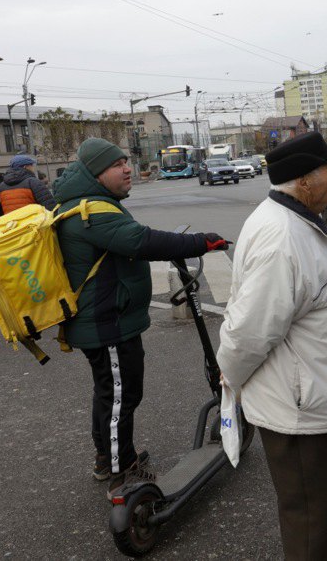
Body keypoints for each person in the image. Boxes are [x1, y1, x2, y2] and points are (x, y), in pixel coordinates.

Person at [216, 132, 327, 561]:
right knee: (308, 505)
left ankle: (321, 552)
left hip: (312, 392)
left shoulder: (299, 220)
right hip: (298, 403)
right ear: (303, 181)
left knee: (322, 497)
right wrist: (230, 378)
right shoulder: (282, 239)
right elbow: (249, 332)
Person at [51, 137, 227, 499]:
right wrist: (200, 242)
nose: (128, 168)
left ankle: (109, 459)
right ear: (96, 173)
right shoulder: (91, 211)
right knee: (120, 396)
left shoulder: (87, 204)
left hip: (104, 319)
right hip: (106, 322)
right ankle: (122, 474)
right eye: (117, 164)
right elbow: (141, 241)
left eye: (126, 161)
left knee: (109, 393)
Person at [0, 154, 56, 219]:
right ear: (25, 167)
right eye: (31, 165)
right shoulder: (33, 182)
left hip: (12, 227)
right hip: (33, 226)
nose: (33, 167)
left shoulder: (1, 187)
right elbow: (50, 206)